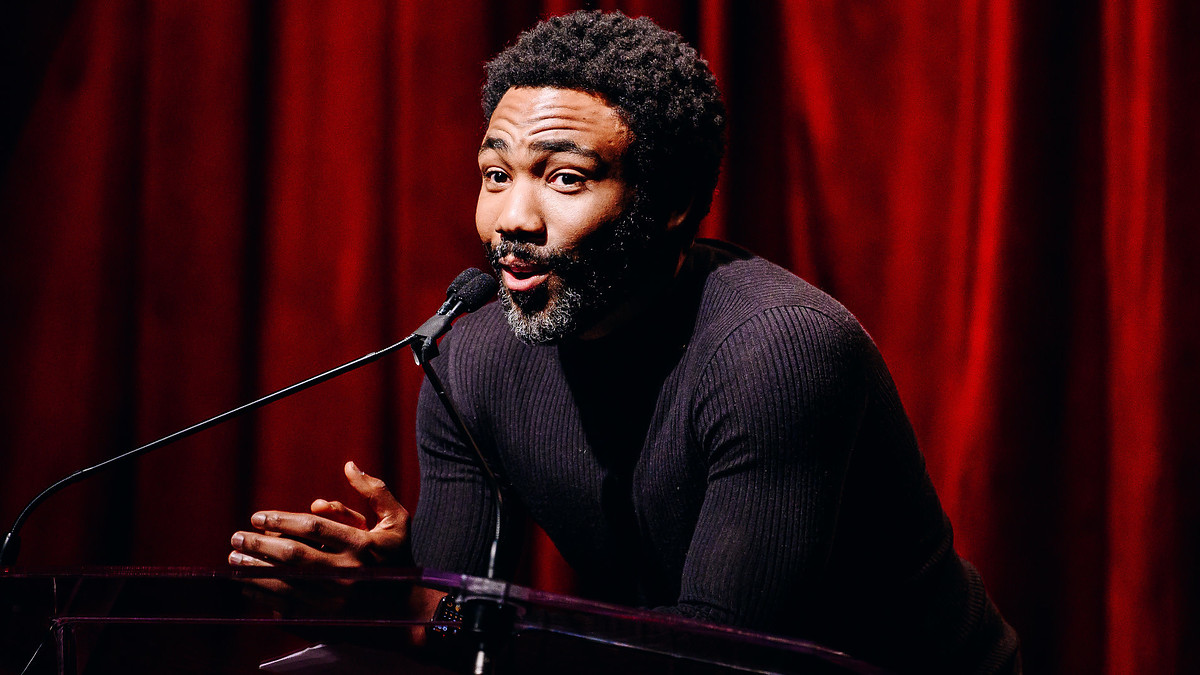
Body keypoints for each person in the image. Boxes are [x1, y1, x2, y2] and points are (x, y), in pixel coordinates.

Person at [230, 11, 1021, 673]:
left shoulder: (781, 352)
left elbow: (716, 658)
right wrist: (383, 596)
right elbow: (456, 639)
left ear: (672, 198)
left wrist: (422, 612)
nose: (513, 220)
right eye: (496, 175)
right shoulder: (472, 359)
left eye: (565, 178)